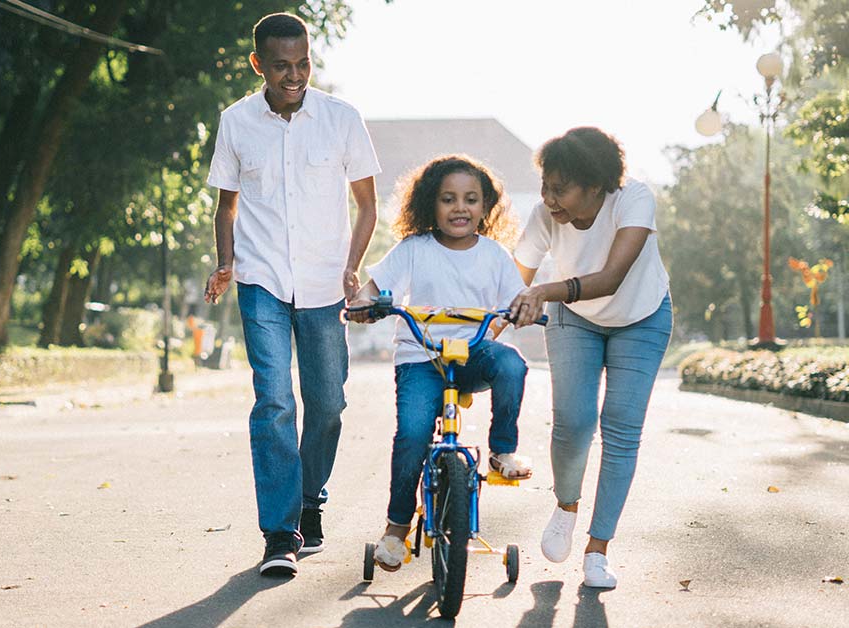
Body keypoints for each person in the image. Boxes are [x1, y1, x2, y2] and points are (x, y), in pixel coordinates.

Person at [203, 12, 381, 577]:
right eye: (282, 66)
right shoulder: (235, 122)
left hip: (326, 284)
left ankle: (310, 501)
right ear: (258, 64)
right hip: (261, 282)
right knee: (275, 401)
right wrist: (226, 264)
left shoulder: (341, 119)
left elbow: (367, 204)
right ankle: (280, 532)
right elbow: (226, 206)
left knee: (328, 404)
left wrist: (353, 267)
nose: (295, 75)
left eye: (303, 63)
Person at [345, 155, 532, 572]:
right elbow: (375, 287)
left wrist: (525, 309)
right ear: (431, 204)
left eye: (470, 199)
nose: (459, 208)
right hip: (421, 358)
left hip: (472, 354)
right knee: (412, 434)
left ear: (486, 208)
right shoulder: (414, 249)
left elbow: (517, 299)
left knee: (513, 365)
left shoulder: (495, 255)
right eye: (448, 199)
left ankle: (502, 451)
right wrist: (363, 302)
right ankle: (396, 528)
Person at [507, 127, 672, 589]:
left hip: (641, 316)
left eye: (560, 188)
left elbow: (613, 276)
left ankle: (598, 549)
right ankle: (566, 506)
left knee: (621, 426)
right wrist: (491, 324)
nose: (548, 198)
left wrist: (544, 290)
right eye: (545, 185)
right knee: (574, 421)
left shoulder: (632, 200)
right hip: (574, 319)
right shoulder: (545, 216)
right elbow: (513, 282)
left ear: (596, 185)